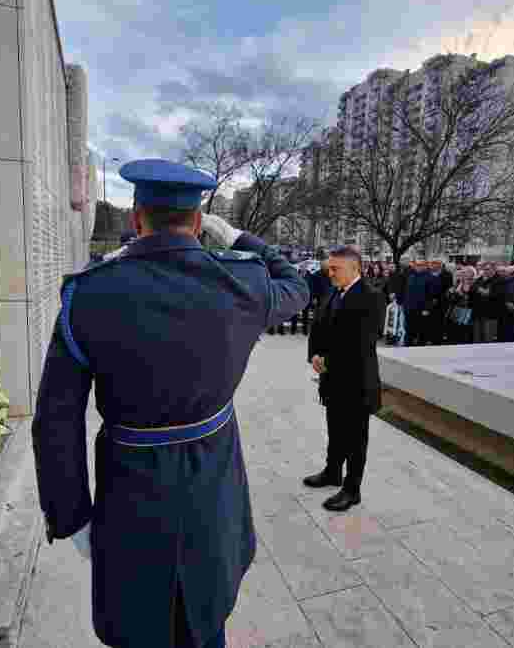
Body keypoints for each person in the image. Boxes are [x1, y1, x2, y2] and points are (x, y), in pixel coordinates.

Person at [31, 158, 309, 648]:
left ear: (136, 218)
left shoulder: (90, 293)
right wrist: (240, 237)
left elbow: (56, 419)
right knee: (204, 617)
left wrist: (70, 513)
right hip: (213, 484)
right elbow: (296, 284)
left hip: (131, 490)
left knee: (137, 619)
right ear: (200, 223)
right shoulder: (241, 283)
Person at [304, 246, 386, 511]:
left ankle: (352, 489)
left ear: (355, 268)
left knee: (355, 437)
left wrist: (328, 360)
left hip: (356, 382)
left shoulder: (371, 297)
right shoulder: (333, 292)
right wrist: (315, 354)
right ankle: (332, 472)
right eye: (329, 268)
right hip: (332, 379)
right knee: (335, 430)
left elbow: (362, 342)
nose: (330, 273)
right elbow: (318, 326)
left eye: (335, 268)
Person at [470, 261, 505, 343]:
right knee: (477, 338)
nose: (486, 271)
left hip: (490, 314)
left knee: (488, 338)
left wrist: (481, 290)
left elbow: (495, 295)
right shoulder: (480, 279)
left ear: (494, 269)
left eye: (488, 269)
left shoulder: (499, 280)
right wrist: (482, 290)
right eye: (484, 269)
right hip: (478, 313)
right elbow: (472, 289)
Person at [446, 266, 476, 344]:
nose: (464, 274)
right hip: (456, 310)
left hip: (467, 312)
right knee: (455, 332)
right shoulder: (458, 283)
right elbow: (450, 297)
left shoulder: (474, 283)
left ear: (472, 274)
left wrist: (461, 293)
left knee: (464, 333)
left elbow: (471, 297)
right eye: (463, 272)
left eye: (466, 272)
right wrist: (454, 293)